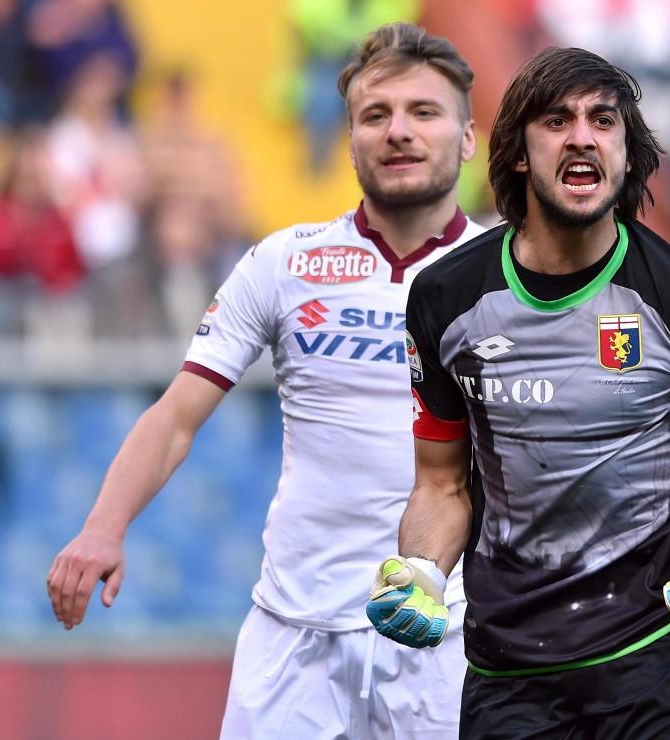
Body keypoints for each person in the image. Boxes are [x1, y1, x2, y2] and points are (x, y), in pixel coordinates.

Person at [46, 22, 484, 739]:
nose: (398, 131)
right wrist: (103, 527)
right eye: (376, 115)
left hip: (449, 638)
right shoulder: (285, 262)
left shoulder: (512, 277)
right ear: (350, 142)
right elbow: (176, 416)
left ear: (467, 138)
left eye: (424, 112)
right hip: (293, 641)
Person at [367, 46, 670, 738]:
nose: (582, 136)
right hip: (514, 665)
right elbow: (441, 486)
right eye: (557, 120)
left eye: (603, 121)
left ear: (627, 154)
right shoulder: (445, 298)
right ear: (518, 152)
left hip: (662, 651)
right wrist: (423, 572)